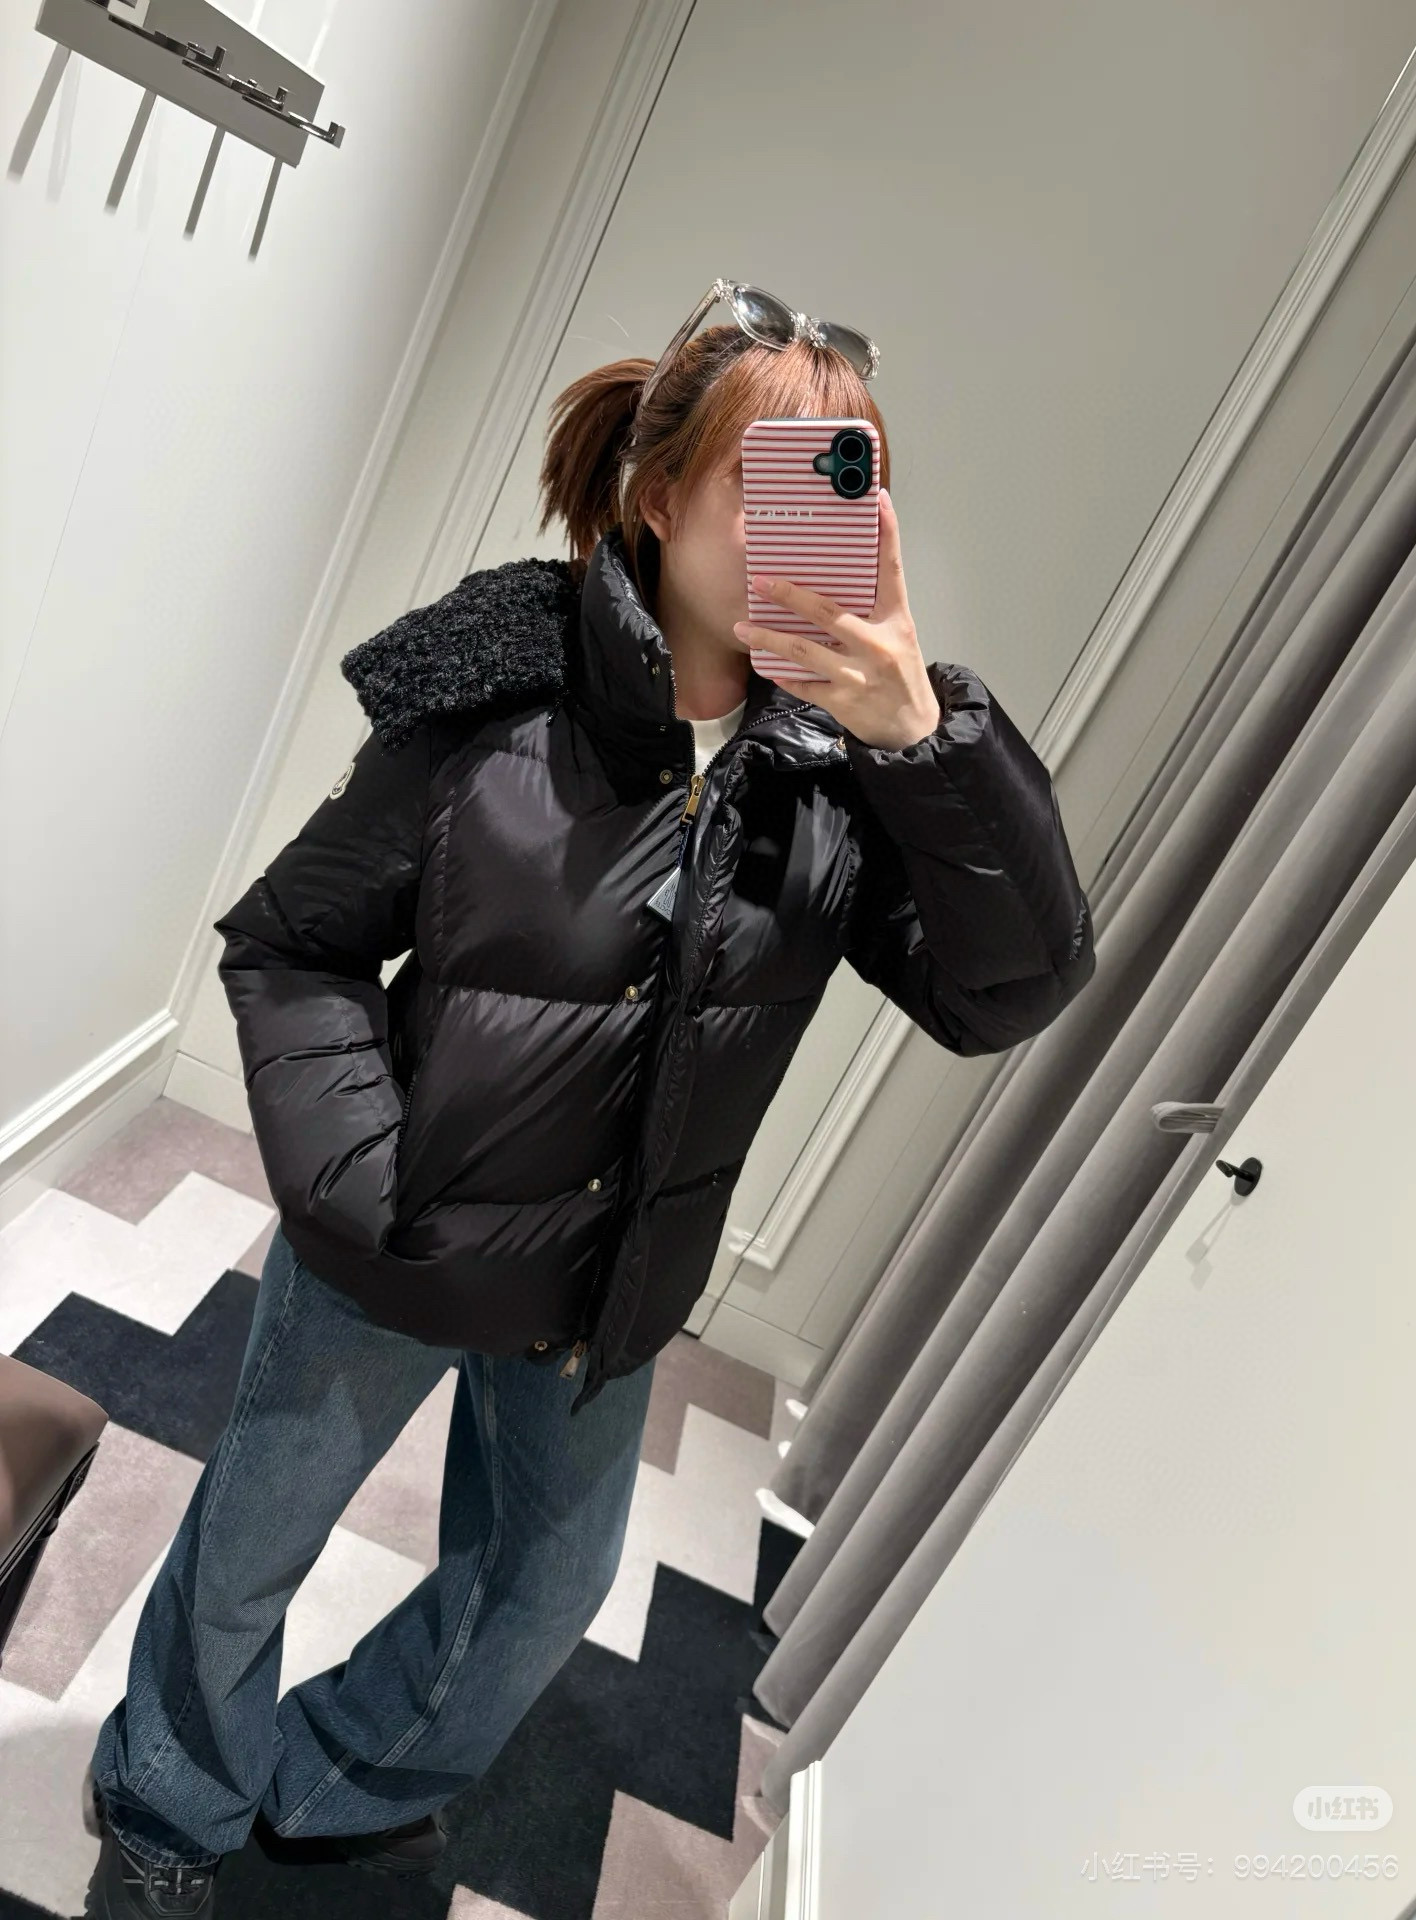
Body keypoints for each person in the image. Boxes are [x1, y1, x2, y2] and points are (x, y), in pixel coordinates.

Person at [83, 285, 1096, 1917]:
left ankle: (341, 1785)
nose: (809, 525)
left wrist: (924, 733)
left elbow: (1010, 993)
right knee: (245, 1560)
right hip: (400, 1245)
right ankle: (164, 1807)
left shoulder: (844, 778)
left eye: (844, 485)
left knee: (541, 1591)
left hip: (608, 1284)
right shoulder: (490, 702)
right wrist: (361, 1185)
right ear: (662, 497)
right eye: (771, 482)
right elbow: (293, 941)